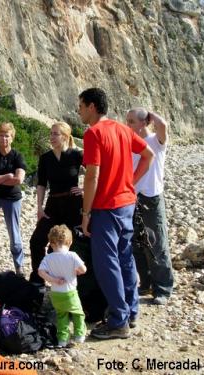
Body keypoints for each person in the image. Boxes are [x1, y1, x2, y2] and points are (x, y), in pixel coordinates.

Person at [78, 88, 154, 340]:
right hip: (126, 204)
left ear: (91, 106)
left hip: (105, 207)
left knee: (107, 263)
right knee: (125, 258)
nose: (78, 110)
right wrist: (130, 182)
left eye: (80, 105)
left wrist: (86, 212)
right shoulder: (122, 129)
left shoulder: (93, 134)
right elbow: (148, 155)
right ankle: (131, 312)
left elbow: (92, 176)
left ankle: (118, 321)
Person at [127, 108, 174, 305]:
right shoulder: (130, 144)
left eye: (131, 121)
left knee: (157, 243)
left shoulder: (156, 141)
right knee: (137, 243)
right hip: (133, 197)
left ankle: (162, 288)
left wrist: (149, 114)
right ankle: (145, 282)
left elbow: (163, 125)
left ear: (143, 123)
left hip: (152, 198)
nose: (127, 125)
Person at [29, 122, 83, 285]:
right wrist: (39, 207)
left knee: (72, 244)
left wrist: (84, 189)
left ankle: (72, 281)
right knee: (37, 240)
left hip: (73, 205)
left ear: (65, 136)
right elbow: (41, 184)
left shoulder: (77, 155)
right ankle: (38, 280)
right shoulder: (46, 158)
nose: (51, 137)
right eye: (51, 133)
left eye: (55, 134)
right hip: (53, 203)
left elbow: (97, 172)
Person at [0, 122, 27, 276]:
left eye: (7, 135)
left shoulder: (17, 156)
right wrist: (6, 177)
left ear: (12, 137)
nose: (4, 138)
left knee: (14, 233)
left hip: (12, 198)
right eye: (1, 135)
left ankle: (19, 267)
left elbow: (19, 179)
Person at [38, 225, 87, 347]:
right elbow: (83, 269)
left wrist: (53, 279)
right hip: (70, 292)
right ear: (69, 242)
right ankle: (79, 335)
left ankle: (62, 339)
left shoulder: (48, 258)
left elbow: (40, 272)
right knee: (78, 313)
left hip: (55, 294)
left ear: (51, 243)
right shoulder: (72, 255)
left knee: (61, 316)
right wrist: (77, 271)